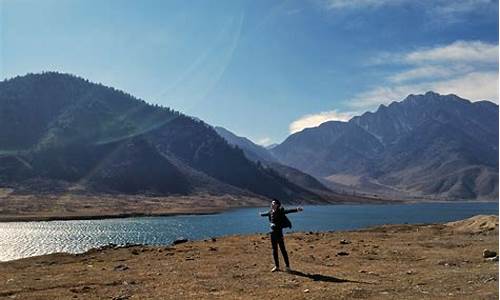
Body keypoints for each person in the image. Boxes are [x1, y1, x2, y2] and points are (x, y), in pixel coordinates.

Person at [260, 199, 303, 272]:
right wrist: (261, 214)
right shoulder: (270, 212)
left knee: (283, 250)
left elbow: (288, 211)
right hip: (272, 234)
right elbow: (266, 214)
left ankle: (287, 267)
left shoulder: (280, 211)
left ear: (277, 205)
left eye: (273, 203)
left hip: (279, 234)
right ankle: (277, 266)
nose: (272, 204)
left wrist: (297, 209)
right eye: (271, 203)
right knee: (274, 250)